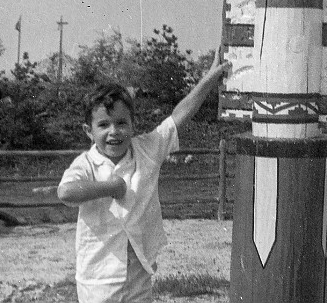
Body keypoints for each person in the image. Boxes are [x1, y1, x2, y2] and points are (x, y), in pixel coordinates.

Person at [58, 50, 229, 303]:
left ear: (132, 124)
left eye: (121, 123)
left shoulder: (147, 149)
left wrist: (208, 80)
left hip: (138, 272)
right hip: (98, 279)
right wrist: (110, 187)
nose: (114, 132)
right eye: (103, 125)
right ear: (89, 131)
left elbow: (179, 116)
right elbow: (66, 192)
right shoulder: (86, 163)